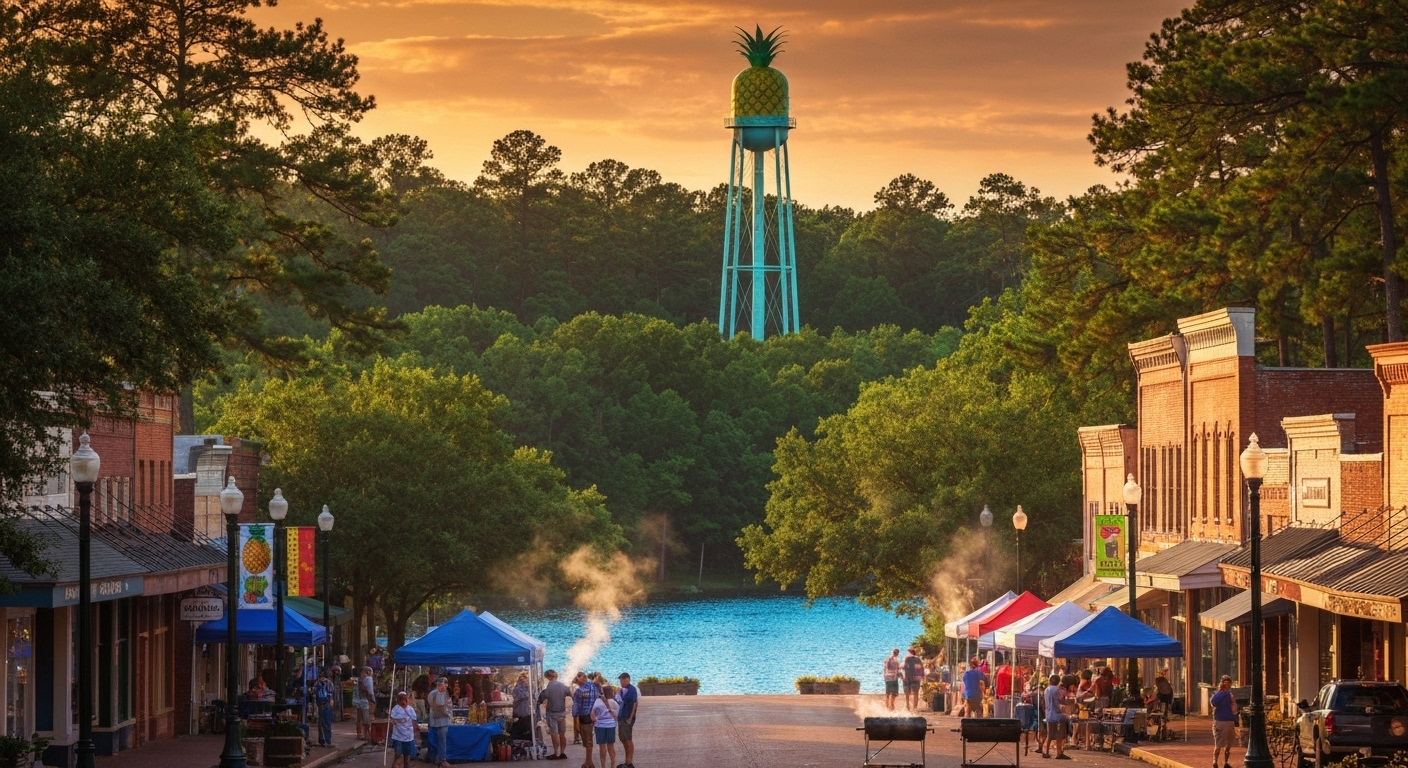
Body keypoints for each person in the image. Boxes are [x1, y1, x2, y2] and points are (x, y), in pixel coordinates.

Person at [538, 670, 571, 761]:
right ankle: (562, 752)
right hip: (561, 712)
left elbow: (541, 699)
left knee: (554, 734)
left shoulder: (548, 688)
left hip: (552, 713)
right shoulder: (563, 686)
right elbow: (570, 694)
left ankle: (555, 753)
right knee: (562, 734)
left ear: (547, 677)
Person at [572, 671, 601, 767]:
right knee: (589, 739)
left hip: (584, 716)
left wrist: (576, 722)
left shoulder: (580, 690)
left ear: (582, 679)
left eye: (577, 679)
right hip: (595, 715)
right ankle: (589, 761)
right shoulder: (594, 686)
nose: (576, 681)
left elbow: (576, 706)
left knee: (587, 740)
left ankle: (589, 762)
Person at [1210, 675, 1238, 768]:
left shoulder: (1230, 695)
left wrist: (1234, 717)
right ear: (1221, 683)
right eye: (1224, 682)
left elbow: (1234, 708)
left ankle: (1226, 762)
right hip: (1219, 722)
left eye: (1228, 683)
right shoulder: (1218, 693)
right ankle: (1215, 762)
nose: (1226, 684)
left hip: (1229, 722)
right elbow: (1213, 702)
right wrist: (1221, 691)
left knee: (1228, 745)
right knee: (1218, 744)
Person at [427, 676, 453, 768]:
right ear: (438, 685)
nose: (443, 686)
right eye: (441, 684)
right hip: (434, 720)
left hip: (444, 721)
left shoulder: (446, 694)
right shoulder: (432, 694)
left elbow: (449, 707)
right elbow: (434, 705)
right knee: (433, 741)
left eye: (445, 685)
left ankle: (442, 760)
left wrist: (448, 715)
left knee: (442, 741)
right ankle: (435, 758)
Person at [1043, 673, 1070, 760]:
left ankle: (1045, 752)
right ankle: (1059, 753)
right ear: (1058, 682)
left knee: (1049, 734)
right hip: (1057, 715)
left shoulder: (1046, 690)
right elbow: (1057, 702)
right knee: (1060, 735)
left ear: (1050, 681)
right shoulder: (1056, 690)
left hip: (1049, 714)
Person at [591, 684, 618, 768]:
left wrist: (595, 720)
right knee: (611, 745)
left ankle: (603, 765)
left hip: (600, 726)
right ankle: (613, 764)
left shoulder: (598, 701)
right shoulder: (614, 702)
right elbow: (617, 715)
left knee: (602, 746)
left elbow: (592, 714)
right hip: (611, 725)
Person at [616, 673, 639, 768]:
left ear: (627, 680)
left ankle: (629, 763)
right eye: (620, 680)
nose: (620, 682)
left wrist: (630, 717)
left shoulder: (631, 690)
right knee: (623, 738)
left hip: (626, 717)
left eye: (621, 680)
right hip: (622, 717)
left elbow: (635, 703)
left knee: (627, 739)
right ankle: (627, 761)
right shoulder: (624, 690)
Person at [389, 691, 417, 768]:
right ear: (398, 701)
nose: (403, 702)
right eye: (401, 700)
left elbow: (414, 718)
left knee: (407, 754)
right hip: (398, 735)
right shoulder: (396, 709)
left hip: (407, 735)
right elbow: (393, 718)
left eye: (404, 700)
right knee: (398, 753)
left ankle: (406, 766)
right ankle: (395, 765)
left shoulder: (410, 709)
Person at [313, 671, 337, 747]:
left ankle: (328, 740)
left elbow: (331, 694)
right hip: (320, 705)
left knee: (327, 723)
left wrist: (331, 701)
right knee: (320, 724)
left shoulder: (329, 683)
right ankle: (322, 740)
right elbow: (314, 694)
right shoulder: (317, 684)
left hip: (327, 705)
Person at [353, 666, 375, 740]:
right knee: (366, 719)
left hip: (356, 701)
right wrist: (372, 700)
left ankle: (359, 734)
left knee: (359, 718)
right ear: (368, 672)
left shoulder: (356, 680)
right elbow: (366, 690)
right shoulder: (366, 679)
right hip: (364, 701)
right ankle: (366, 735)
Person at [902, 648, 926, 712]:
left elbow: (904, 667)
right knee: (916, 693)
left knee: (907, 693)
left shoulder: (907, 658)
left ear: (910, 652)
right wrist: (922, 675)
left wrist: (900, 667)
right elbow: (922, 668)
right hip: (916, 678)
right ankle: (915, 707)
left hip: (908, 677)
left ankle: (908, 706)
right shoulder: (918, 659)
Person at [511, 672, 533, 740]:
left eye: (525, 679)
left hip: (525, 711)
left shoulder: (527, 687)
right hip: (521, 711)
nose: (523, 681)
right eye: (521, 679)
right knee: (521, 726)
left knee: (525, 726)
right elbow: (523, 696)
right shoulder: (519, 688)